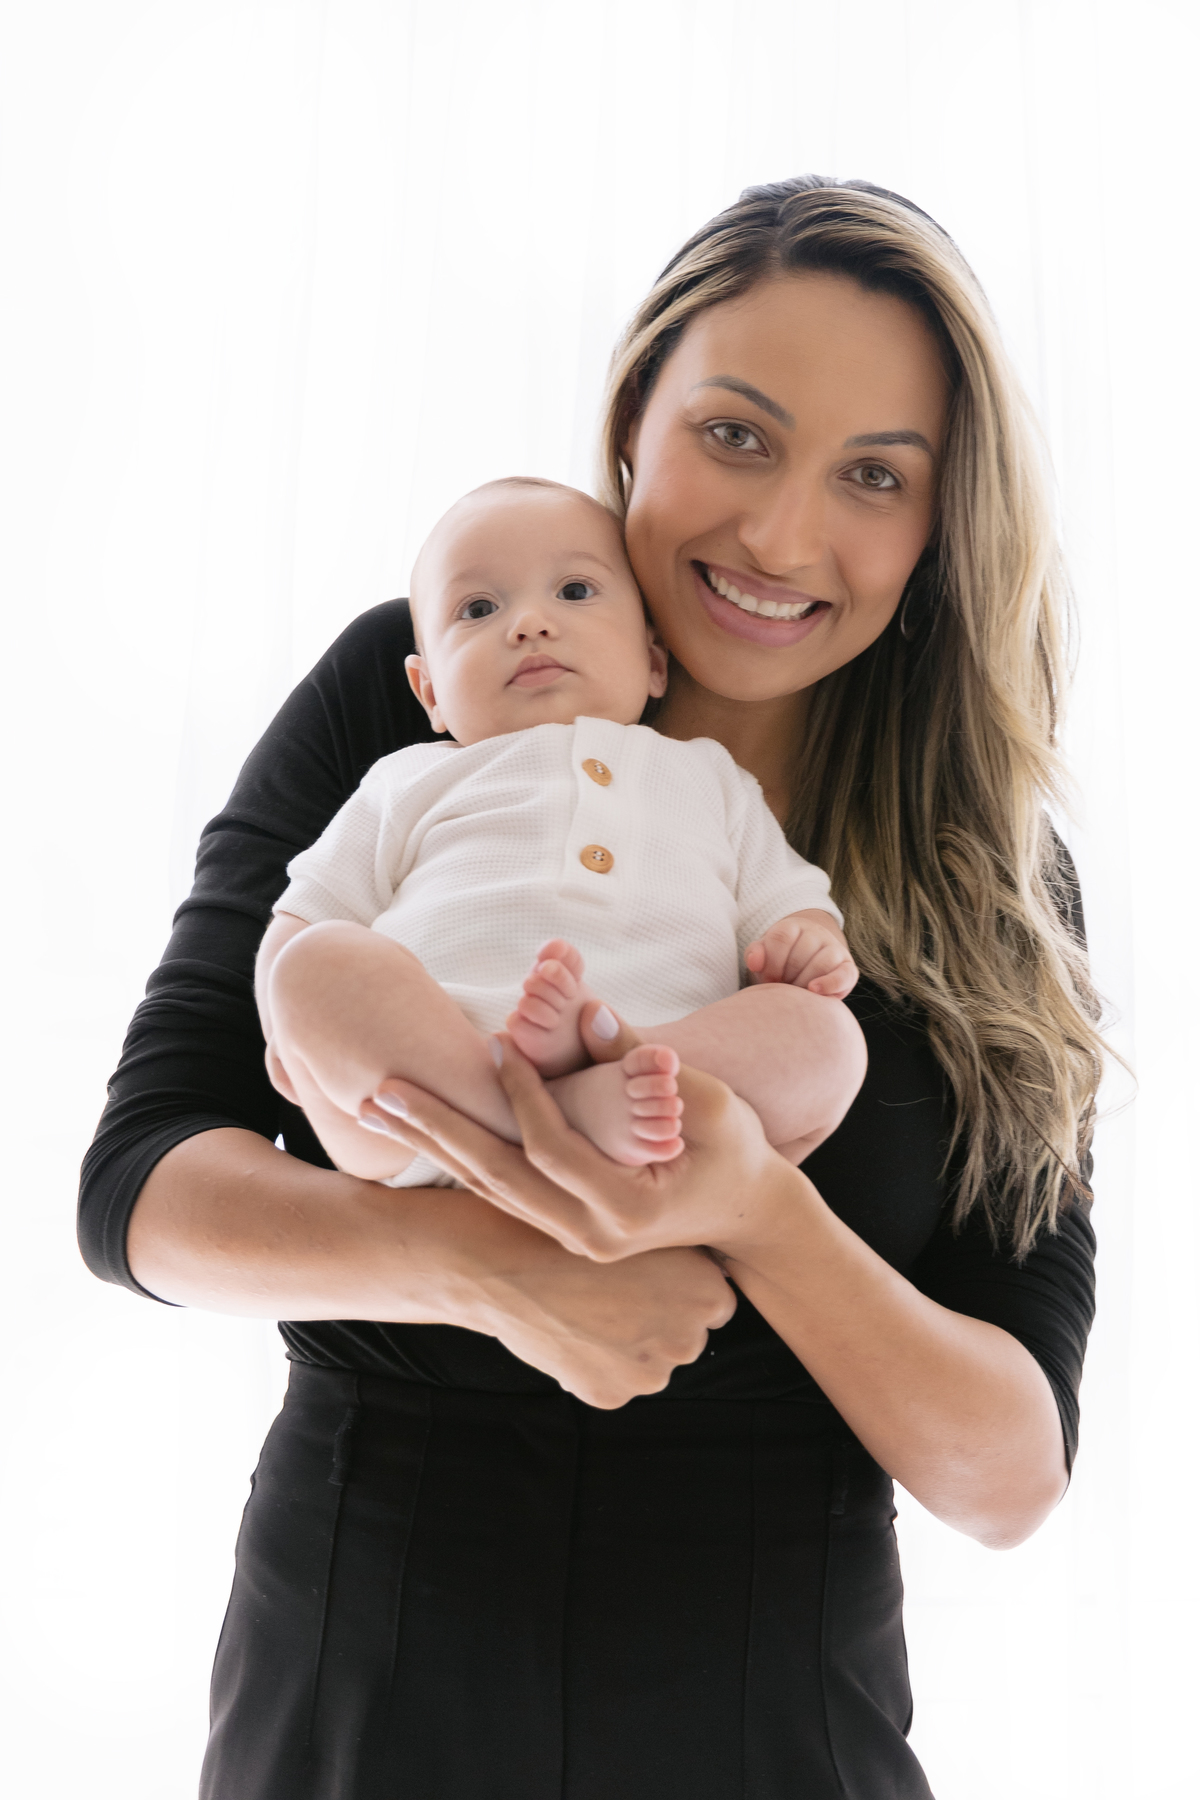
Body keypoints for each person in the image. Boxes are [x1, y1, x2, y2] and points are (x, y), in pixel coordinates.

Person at [78, 177, 1104, 1800]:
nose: (778, 537)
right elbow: (138, 1192)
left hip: (780, 1731)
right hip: (362, 1680)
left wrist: (756, 1209)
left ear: (941, 519)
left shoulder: (988, 876)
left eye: (876, 477)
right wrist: (484, 1259)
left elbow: (1005, 1472)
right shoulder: (429, 690)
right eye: (740, 436)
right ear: (637, 415)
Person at [259, 475, 865, 1189]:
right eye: (479, 609)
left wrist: (806, 940)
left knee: (825, 1039)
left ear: (653, 658)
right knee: (310, 964)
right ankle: (531, 1109)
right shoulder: (406, 779)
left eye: (574, 592)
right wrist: (296, 1021)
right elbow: (306, 917)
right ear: (429, 694)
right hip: (429, 1114)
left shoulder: (711, 778)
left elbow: (786, 902)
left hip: (655, 1088)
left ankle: (597, 1081)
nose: (530, 623)